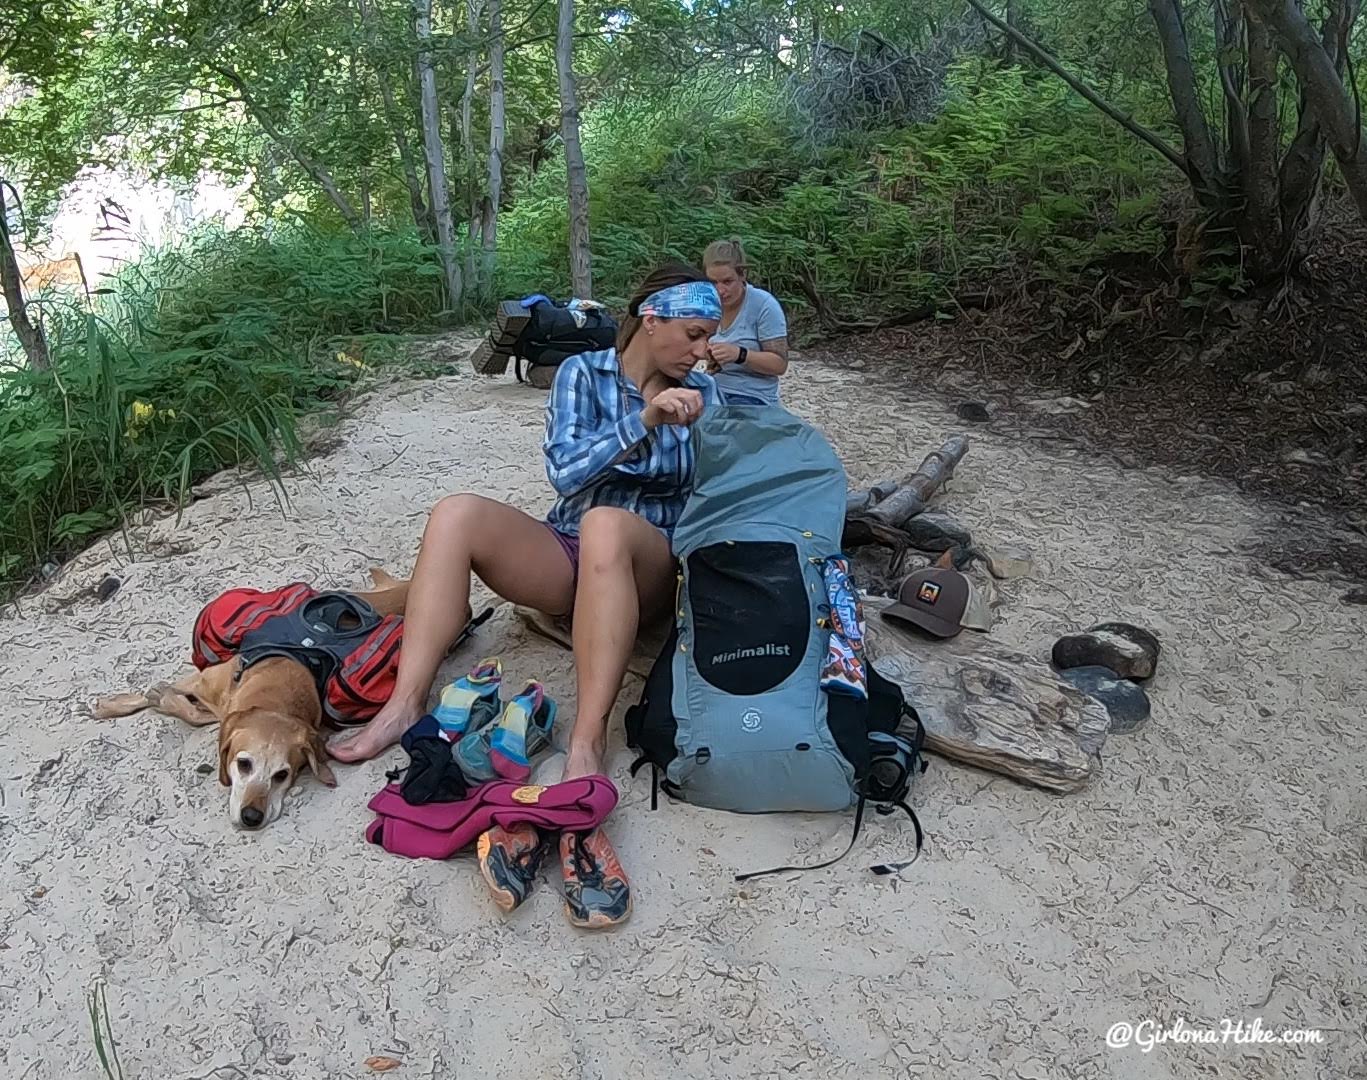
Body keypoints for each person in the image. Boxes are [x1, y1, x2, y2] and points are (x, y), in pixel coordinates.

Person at [330, 263, 723, 928]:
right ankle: (403, 704)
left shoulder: (707, 390)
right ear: (650, 319)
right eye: (691, 333)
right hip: (570, 549)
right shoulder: (583, 374)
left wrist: (709, 423)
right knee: (456, 512)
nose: (701, 350)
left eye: (709, 337)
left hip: (649, 560)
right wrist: (644, 421)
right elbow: (564, 472)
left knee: (607, 524)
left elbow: (723, 487)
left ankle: (586, 741)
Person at [702, 237, 790, 406]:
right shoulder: (705, 304)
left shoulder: (764, 305)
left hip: (751, 395)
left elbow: (779, 365)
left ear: (742, 275)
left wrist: (740, 355)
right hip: (711, 388)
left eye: (727, 281)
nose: (720, 290)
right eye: (713, 282)